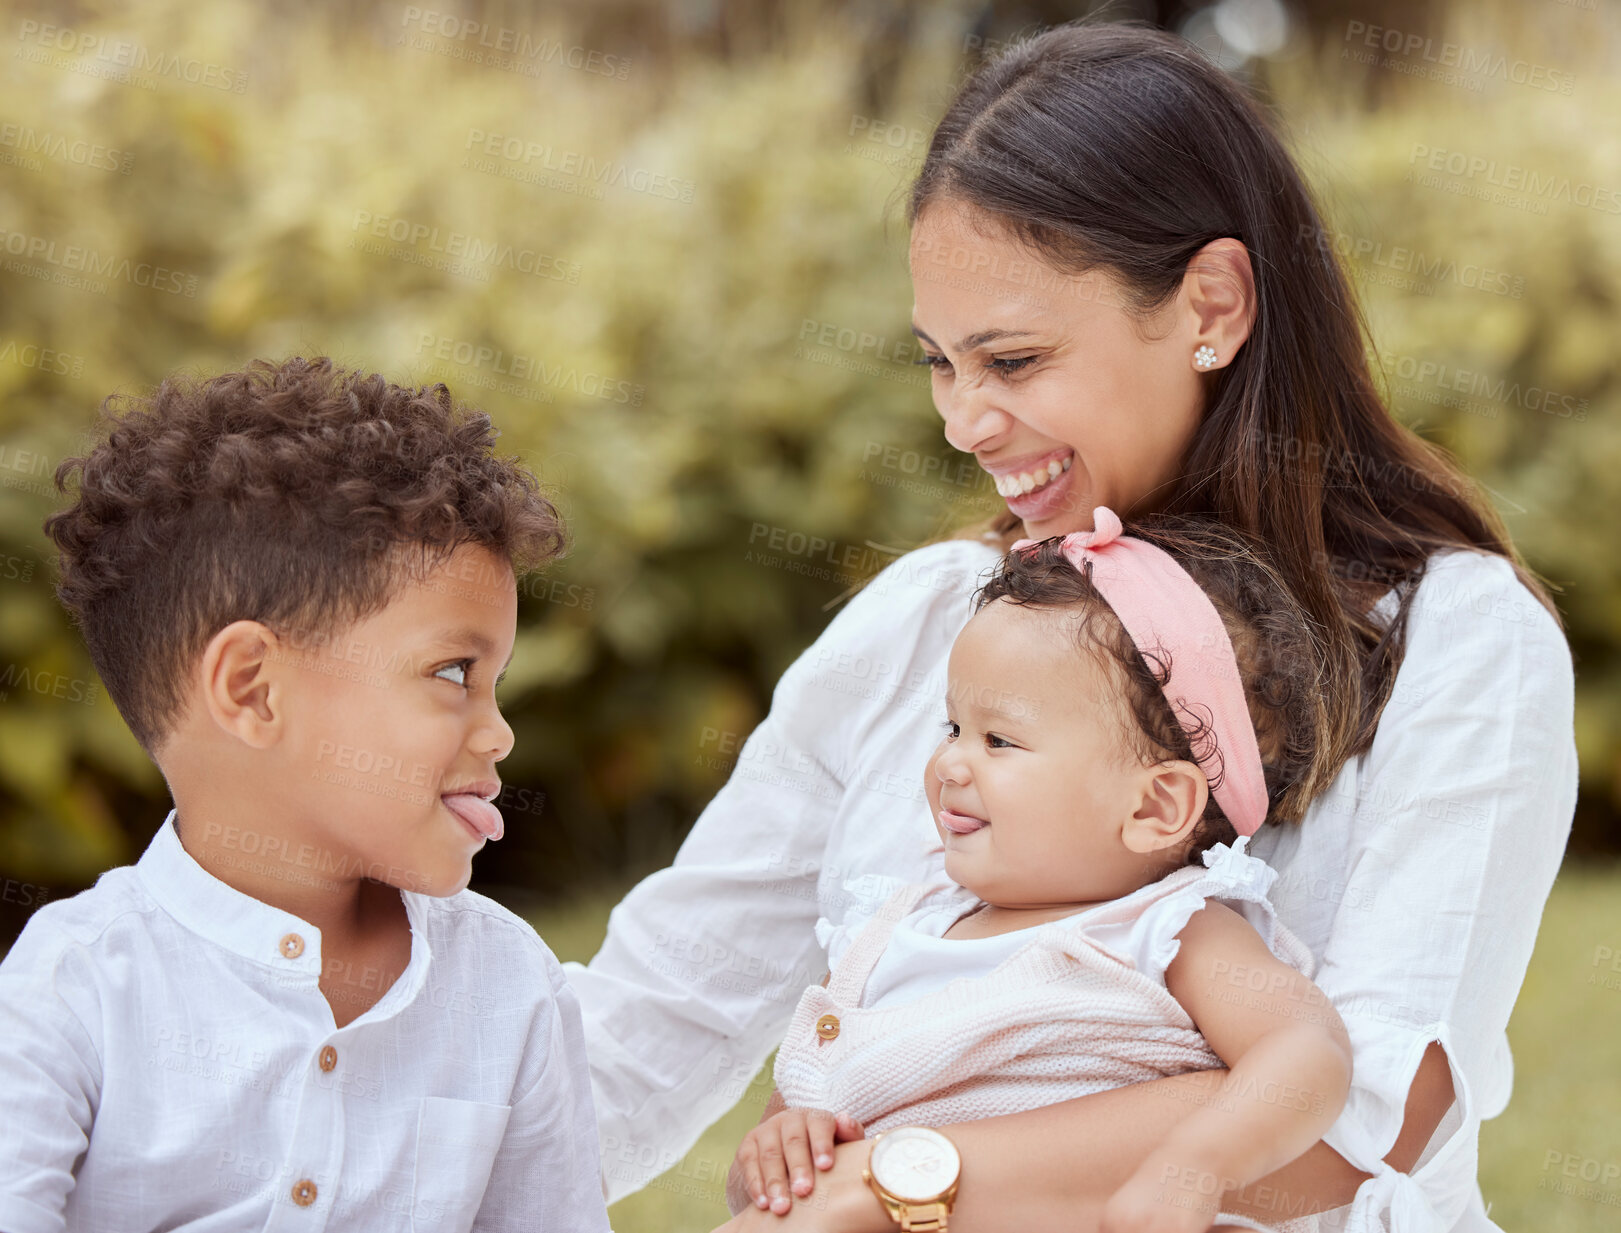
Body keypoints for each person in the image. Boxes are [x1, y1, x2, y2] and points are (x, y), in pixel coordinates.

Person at [567, 20, 1577, 1233]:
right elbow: (645, 1032)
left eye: (1013, 357)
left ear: (1211, 302)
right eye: (940, 363)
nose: (964, 421)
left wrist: (895, 1183)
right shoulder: (928, 620)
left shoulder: (1455, 644)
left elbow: (1357, 1125)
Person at [0, 357, 612, 1233]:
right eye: (453, 673)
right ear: (253, 689)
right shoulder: (71, 991)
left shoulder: (508, 984)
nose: (499, 730)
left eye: (496, 682)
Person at [728, 511, 1355, 1233]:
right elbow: (777, 1177)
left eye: (999, 739)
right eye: (952, 728)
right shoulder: (895, 927)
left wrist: (1195, 1165)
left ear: (1154, 805)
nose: (950, 762)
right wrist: (777, 1148)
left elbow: (1306, 1048)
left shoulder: (1163, 929)